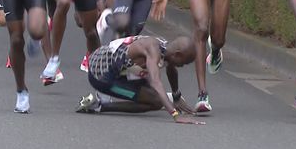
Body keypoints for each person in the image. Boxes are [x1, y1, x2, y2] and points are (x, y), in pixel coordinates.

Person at [76, 35, 204, 125]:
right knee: (156, 101)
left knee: (155, 97)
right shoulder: (153, 49)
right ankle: (98, 106)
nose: (182, 66)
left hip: (119, 69)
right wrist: (175, 114)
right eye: (184, 63)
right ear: (177, 54)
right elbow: (155, 81)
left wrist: (176, 96)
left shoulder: (166, 48)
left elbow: (171, 69)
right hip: (101, 76)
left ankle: (167, 98)